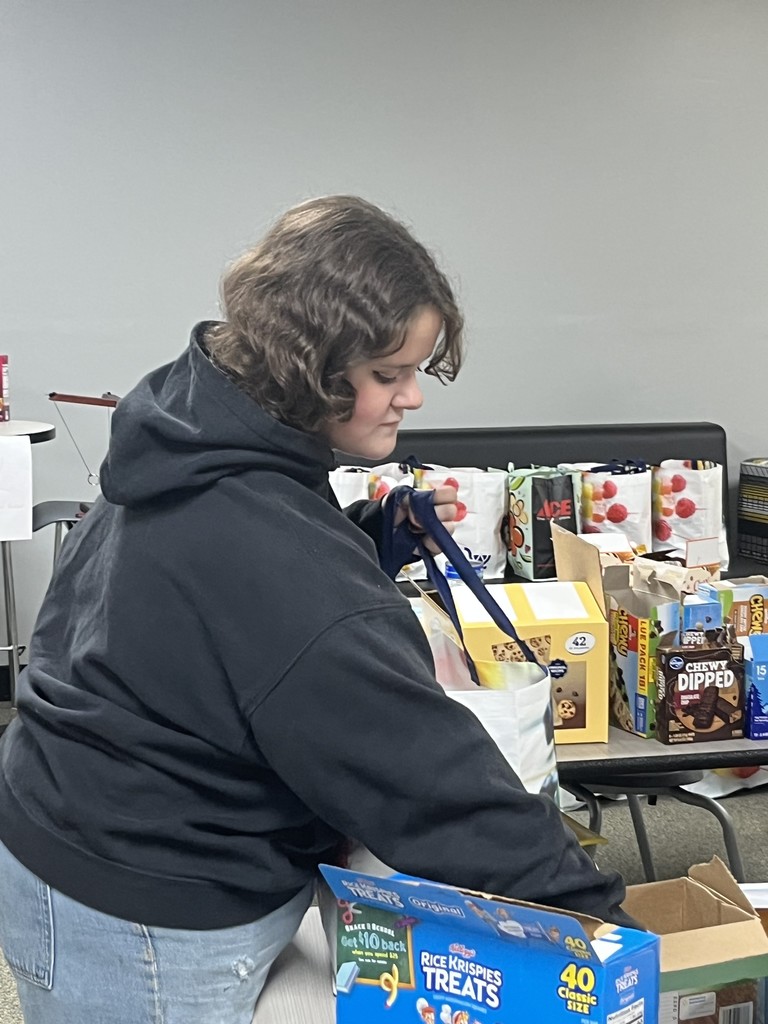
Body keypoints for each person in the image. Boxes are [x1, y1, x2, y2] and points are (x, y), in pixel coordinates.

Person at [0, 196, 633, 1024]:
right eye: (388, 375)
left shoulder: (188, 429)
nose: (413, 398)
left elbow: (218, 603)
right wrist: (601, 926)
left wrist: (366, 537)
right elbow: (434, 787)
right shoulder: (277, 559)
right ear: (310, 367)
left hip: (65, 811)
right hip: (140, 896)